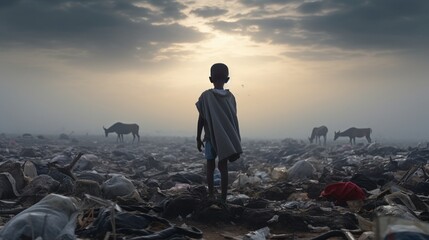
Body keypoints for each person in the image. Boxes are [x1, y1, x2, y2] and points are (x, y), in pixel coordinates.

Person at [196, 63, 242, 201]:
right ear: (227, 79)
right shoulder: (231, 97)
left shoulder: (206, 96)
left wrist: (198, 137)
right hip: (225, 139)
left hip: (209, 138)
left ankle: (211, 194)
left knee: (210, 166)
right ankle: (223, 198)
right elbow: (232, 120)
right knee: (223, 167)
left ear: (210, 79)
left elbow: (201, 118)